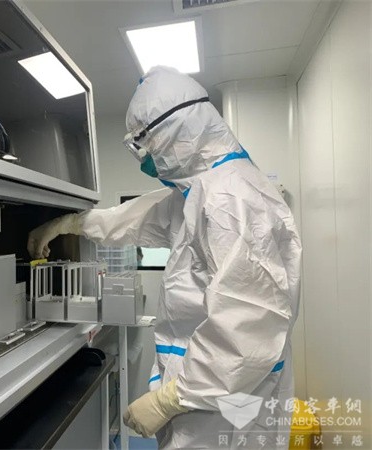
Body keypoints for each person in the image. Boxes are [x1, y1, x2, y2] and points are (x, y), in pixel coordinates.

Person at [27, 66, 302, 449]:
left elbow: (248, 325)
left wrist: (171, 398)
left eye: (143, 145)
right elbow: (139, 217)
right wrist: (71, 223)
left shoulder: (231, 200)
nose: (144, 159)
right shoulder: (203, 190)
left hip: (223, 401)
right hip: (207, 392)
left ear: (173, 132)